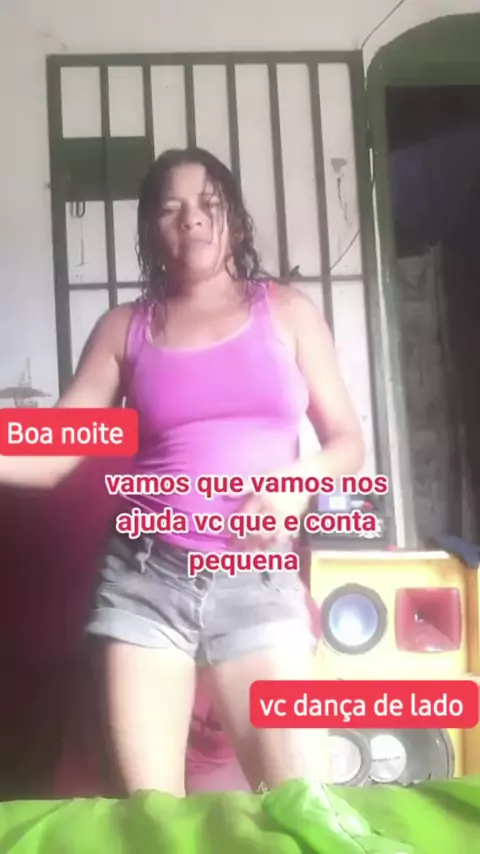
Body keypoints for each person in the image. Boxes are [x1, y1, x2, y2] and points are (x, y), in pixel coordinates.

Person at [0, 147, 364, 797]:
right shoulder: (124, 329)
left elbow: (347, 442)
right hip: (146, 582)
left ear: (236, 223)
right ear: (151, 232)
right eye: (170, 208)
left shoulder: (288, 313)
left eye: (208, 204)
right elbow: (51, 450)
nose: (190, 217)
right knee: (154, 818)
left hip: (257, 580)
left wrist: (295, 483)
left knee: (305, 807)